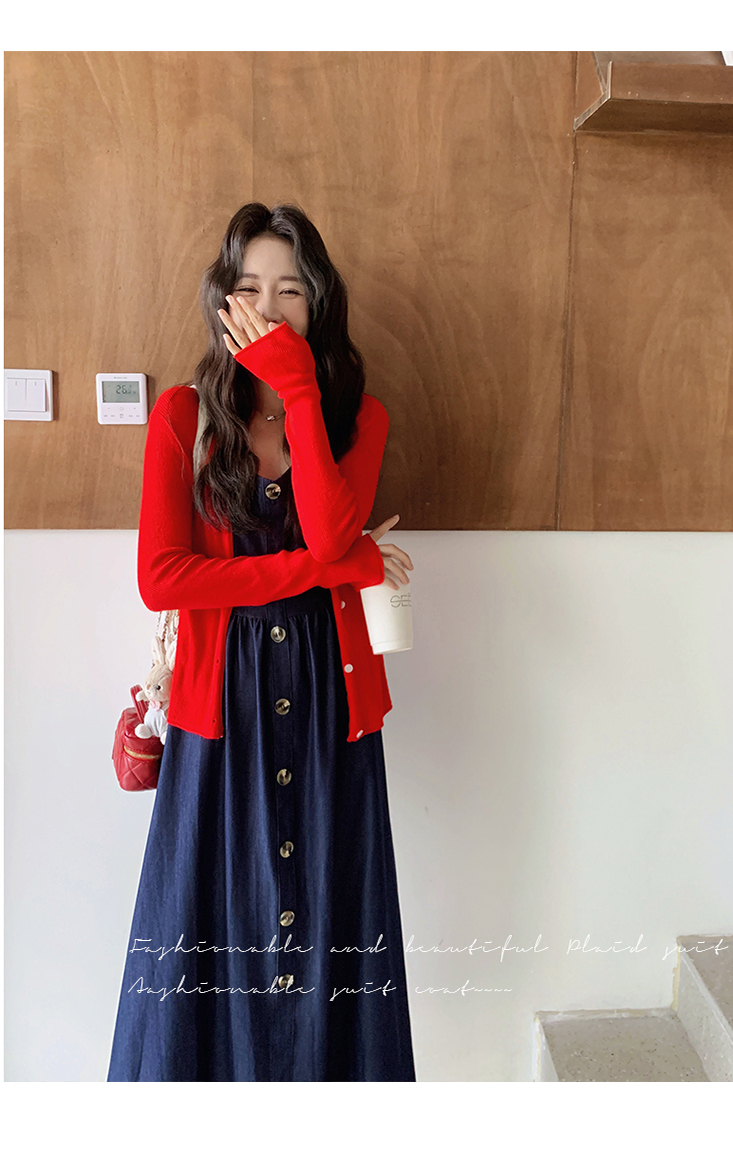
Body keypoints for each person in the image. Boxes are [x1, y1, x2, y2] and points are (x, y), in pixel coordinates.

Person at [106, 202, 417, 1081]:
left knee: (332, 919)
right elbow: (163, 578)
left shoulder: (359, 419)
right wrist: (320, 570)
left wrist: (298, 388)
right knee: (203, 925)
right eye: (249, 289)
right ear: (222, 300)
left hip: (329, 703)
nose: (270, 310)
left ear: (318, 302)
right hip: (220, 708)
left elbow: (331, 531)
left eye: (291, 292)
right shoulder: (183, 416)